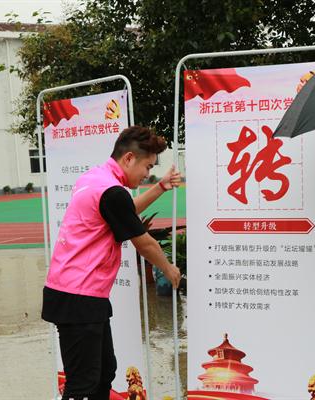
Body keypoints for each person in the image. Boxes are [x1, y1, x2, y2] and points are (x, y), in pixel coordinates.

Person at [41, 126, 181, 400]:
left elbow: (125, 211)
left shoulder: (96, 179)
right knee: (82, 384)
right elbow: (144, 243)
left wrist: (161, 186)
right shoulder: (111, 191)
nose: (147, 174)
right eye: (147, 166)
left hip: (79, 294)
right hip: (78, 296)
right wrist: (169, 269)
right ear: (129, 158)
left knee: (105, 371)